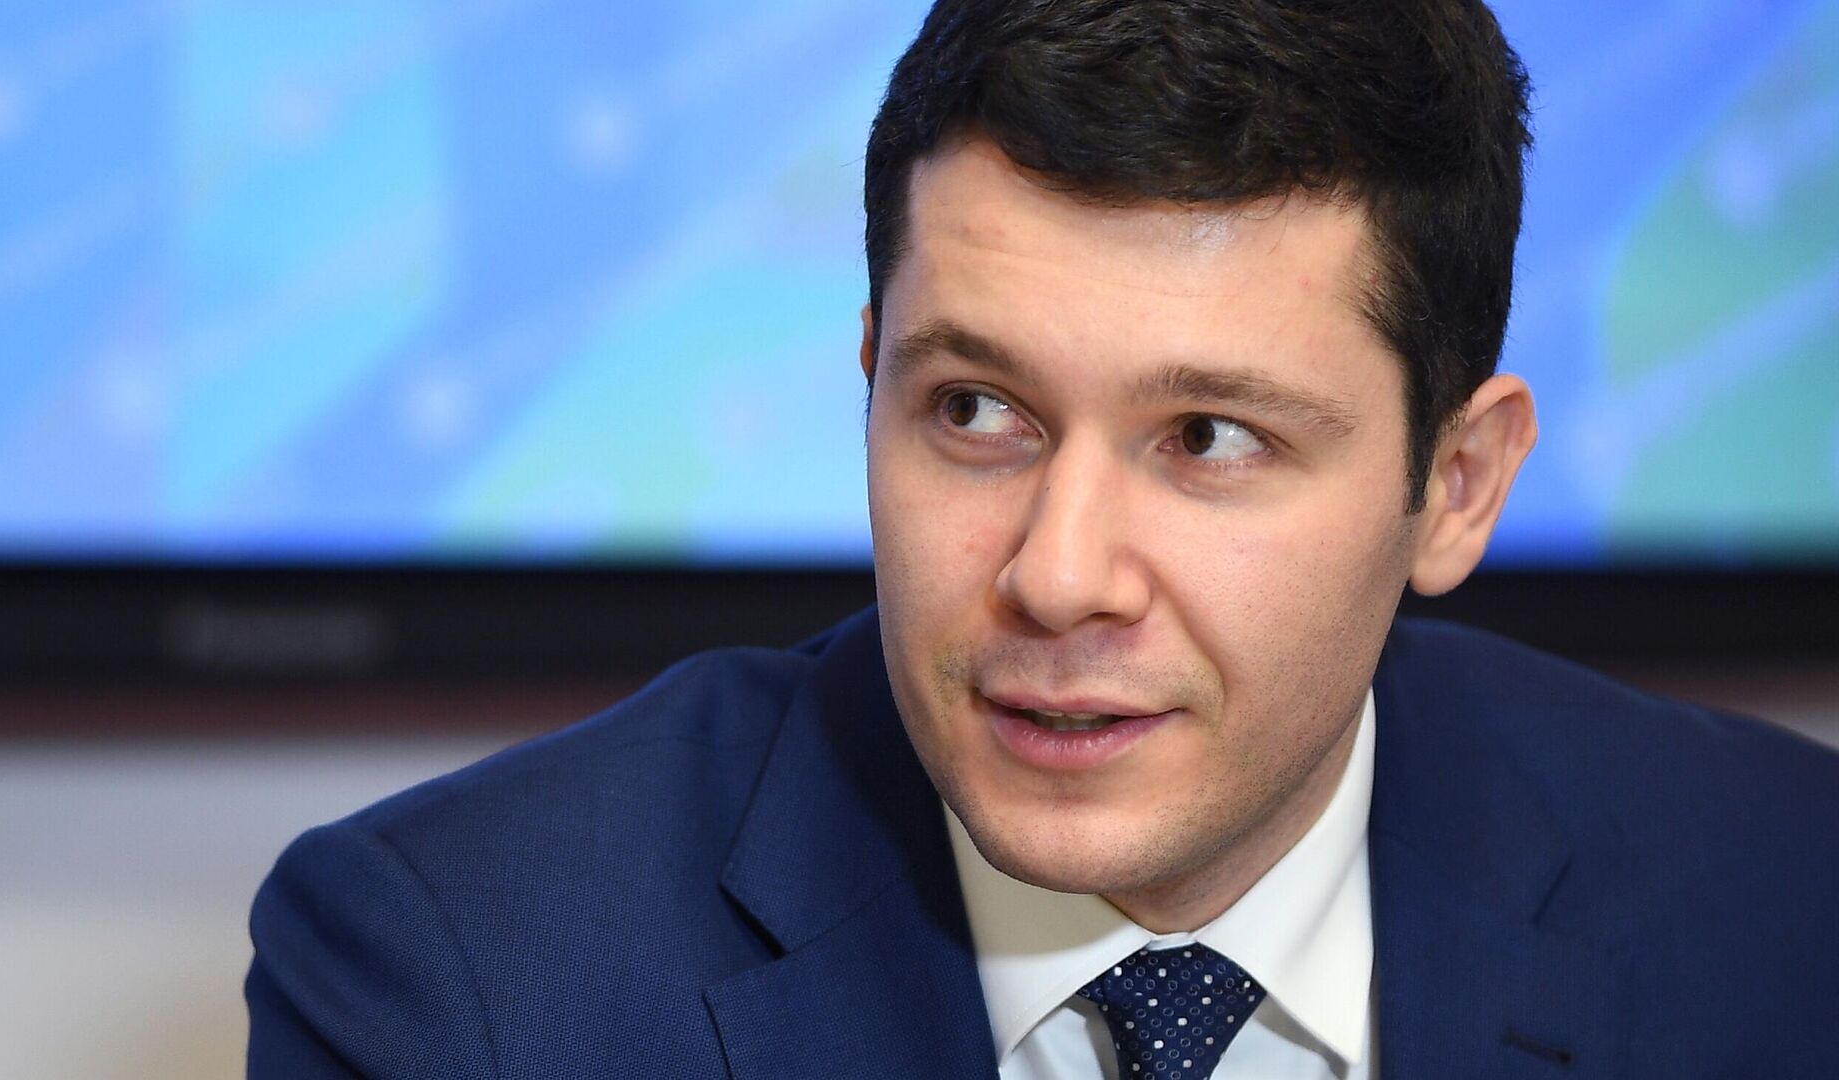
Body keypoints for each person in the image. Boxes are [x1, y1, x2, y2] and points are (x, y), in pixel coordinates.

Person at [246, 1, 1839, 1077]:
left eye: (1210, 439)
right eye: (975, 411)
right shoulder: (462, 985)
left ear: (1460, 484)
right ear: (870, 379)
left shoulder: (1784, 902)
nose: (1059, 576)